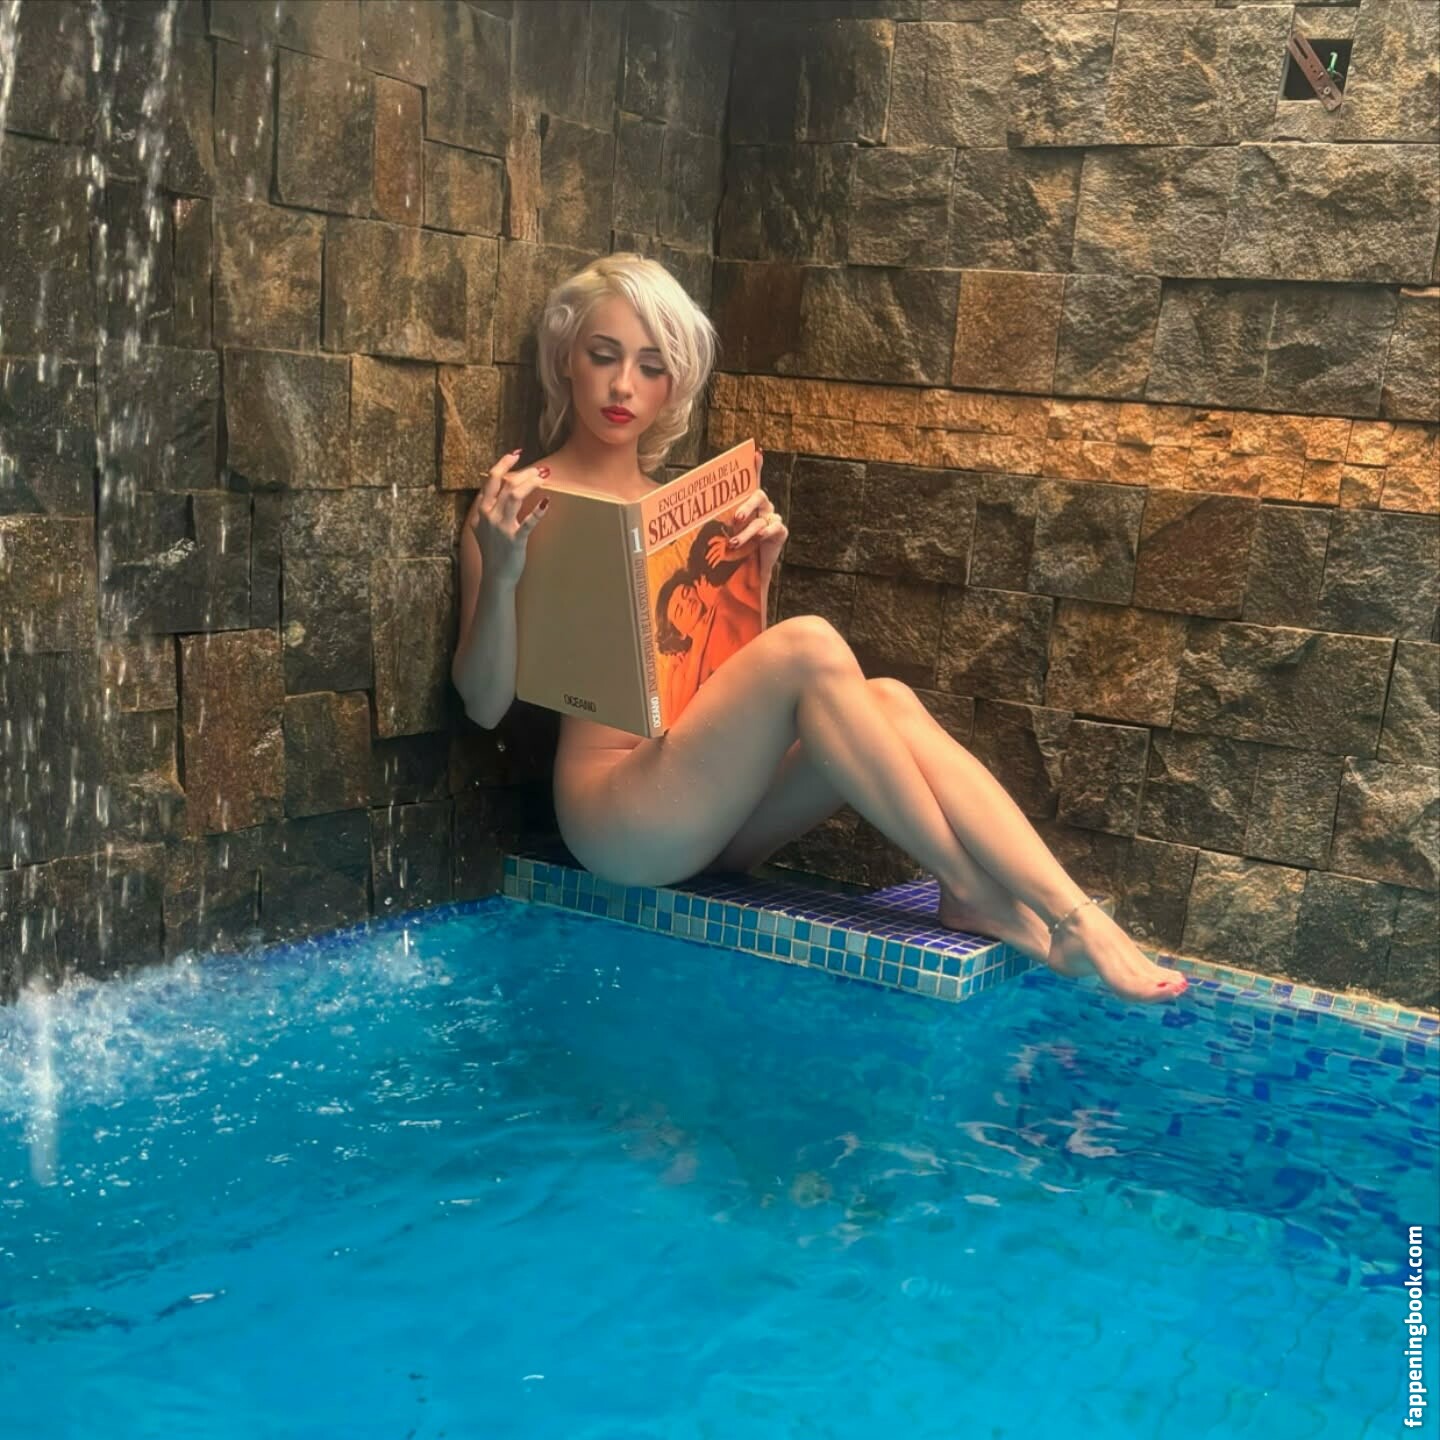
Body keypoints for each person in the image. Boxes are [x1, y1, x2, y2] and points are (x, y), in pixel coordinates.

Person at [451, 253, 1187, 1003]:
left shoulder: (675, 507)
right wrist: (502, 569)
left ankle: (1067, 911)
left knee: (888, 698)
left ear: (674, 384)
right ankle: (979, 890)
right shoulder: (518, 503)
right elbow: (482, 704)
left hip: (705, 806)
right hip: (618, 819)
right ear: (566, 358)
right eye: (604, 356)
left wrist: (755, 575)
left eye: (651, 366)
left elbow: (715, 686)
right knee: (809, 646)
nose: (622, 387)